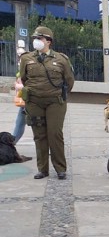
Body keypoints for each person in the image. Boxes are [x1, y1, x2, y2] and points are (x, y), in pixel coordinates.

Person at [20, 26, 75, 180]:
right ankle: (42, 169)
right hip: (34, 102)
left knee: (55, 134)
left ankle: (60, 169)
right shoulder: (26, 58)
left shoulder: (61, 59)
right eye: (35, 38)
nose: (36, 41)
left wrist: (57, 94)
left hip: (55, 102)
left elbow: (69, 81)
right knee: (39, 135)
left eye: (40, 38)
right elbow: (24, 79)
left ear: (48, 41)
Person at [12, 46, 27, 143]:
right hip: (25, 100)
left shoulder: (29, 66)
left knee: (39, 126)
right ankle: (11, 143)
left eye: (20, 54)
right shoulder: (21, 66)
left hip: (32, 100)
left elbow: (35, 84)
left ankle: (11, 143)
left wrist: (20, 87)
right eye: (18, 54)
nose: (19, 56)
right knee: (20, 122)